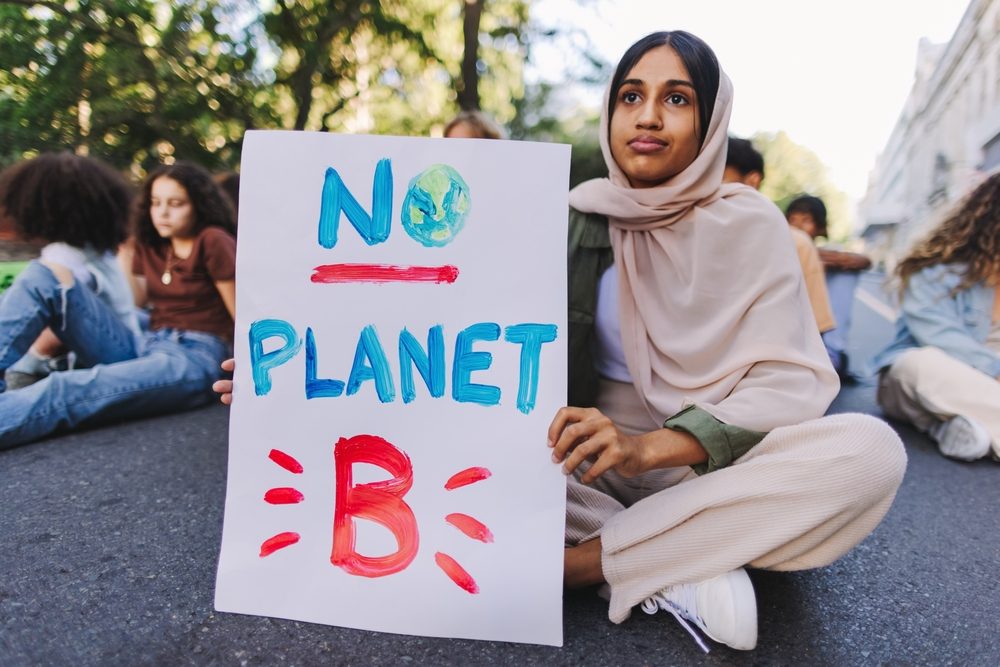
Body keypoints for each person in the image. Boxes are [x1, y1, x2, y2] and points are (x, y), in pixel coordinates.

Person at [214, 31, 906, 652]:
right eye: (631, 95)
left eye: (677, 98)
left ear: (710, 120)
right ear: (611, 112)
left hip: (706, 460)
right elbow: (431, 326)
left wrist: (648, 446)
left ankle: (577, 568)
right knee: (476, 456)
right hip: (577, 463)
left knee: (868, 454)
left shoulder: (751, 223)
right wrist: (292, 378)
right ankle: (686, 557)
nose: (648, 115)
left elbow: (786, 383)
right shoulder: (564, 216)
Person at [0, 161, 237, 447]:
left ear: (199, 206)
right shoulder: (154, 244)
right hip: (147, 340)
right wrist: (126, 250)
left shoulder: (213, 240)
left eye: (175, 204)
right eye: (155, 202)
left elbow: (241, 315)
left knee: (64, 390)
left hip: (195, 358)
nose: (162, 212)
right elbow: (135, 302)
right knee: (44, 276)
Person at [872, 171, 1000, 462]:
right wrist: (995, 371)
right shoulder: (936, 273)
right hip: (935, 379)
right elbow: (942, 339)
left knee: (975, 422)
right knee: (917, 364)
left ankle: (956, 428)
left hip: (985, 393)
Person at [0, 153, 141, 388]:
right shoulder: (92, 248)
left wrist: (26, 365)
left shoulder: (67, 257)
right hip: (118, 346)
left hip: (118, 355)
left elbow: (50, 336)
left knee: (41, 278)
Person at [724, 137, 837, 340]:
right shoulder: (662, 228)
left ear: (752, 181)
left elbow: (814, 328)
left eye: (719, 178)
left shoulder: (796, 243)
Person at [785, 195, 872, 377]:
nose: (798, 226)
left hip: (823, 343)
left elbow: (863, 261)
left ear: (820, 228)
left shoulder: (832, 259)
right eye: (792, 220)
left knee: (845, 272)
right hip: (789, 338)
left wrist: (822, 259)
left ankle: (830, 352)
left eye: (806, 220)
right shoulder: (781, 250)